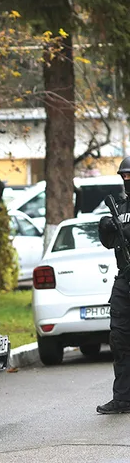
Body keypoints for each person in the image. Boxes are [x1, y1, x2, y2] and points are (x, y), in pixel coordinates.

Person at [97, 156, 130, 414]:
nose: (127, 180)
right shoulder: (119, 206)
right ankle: (122, 400)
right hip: (124, 279)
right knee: (120, 340)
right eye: (124, 176)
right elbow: (109, 243)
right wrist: (106, 227)